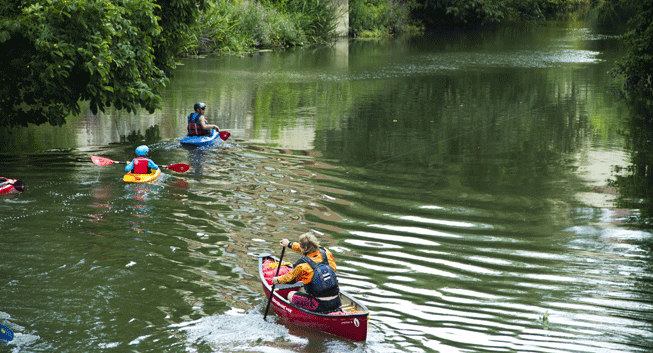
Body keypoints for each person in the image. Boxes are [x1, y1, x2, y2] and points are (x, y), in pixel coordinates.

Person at [272, 232, 341, 313]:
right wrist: (289, 244)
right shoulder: (326, 252)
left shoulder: (302, 266)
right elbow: (306, 247)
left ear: (303, 248)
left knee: (290, 294)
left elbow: (290, 280)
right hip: (336, 301)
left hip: (319, 305)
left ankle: (301, 313)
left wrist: (277, 280)